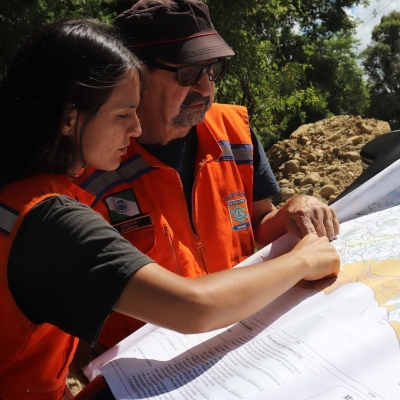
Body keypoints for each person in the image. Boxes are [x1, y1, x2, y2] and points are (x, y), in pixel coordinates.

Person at [0, 17, 340, 400]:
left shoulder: (21, 196)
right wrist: (304, 261)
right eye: (123, 113)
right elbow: (193, 306)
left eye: (211, 71)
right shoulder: (53, 218)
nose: (134, 129)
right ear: (68, 119)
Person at [77, 0, 341, 348]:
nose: (206, 89)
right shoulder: (89, 165)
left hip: (244, 340)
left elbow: (260, 225)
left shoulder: (234, 131)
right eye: (188, 74)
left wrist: (292, 210)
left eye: (212, 69)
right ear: (134, 74)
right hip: (148, 371)